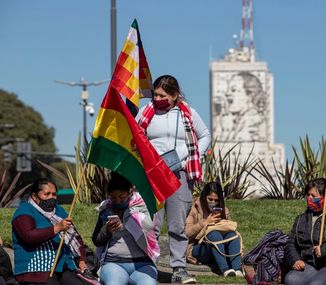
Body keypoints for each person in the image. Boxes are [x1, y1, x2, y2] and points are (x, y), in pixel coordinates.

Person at [137, 75, 211, 284]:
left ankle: (179, 269)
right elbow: (135, 136)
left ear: (175, 94)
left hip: (179, 174)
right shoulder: (146, 112)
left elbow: (205, 135)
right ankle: (149, 265)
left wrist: (193, 155)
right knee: (152, 223)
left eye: (163, 95)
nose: (157, 98)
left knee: (178, 224)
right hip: (153, 173)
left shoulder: (188, 112)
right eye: (155, 94)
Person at [12, 178, 88, 285]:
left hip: (63, 266)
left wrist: (81, 259)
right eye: (47, 194)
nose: (51, 197)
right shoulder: (24, 211)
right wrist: (56, 228)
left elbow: (74, 236)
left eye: (54, 194)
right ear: (34, 196)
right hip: (36, 270)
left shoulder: (59, 210)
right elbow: (28, 236)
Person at [92, 172, 159, 285]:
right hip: (114, 263)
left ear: (130, 192)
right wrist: (107, 230)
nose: (117, 201)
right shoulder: (106, 209)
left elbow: (150, 226)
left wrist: (128, 217)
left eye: (121, 197)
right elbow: (96, 241)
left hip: (143, 263)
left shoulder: (144, 205)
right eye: (113, 197)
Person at [284, 178, 326, 285]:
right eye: (308, 195)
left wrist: (325, 250)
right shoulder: (301, 219)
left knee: (317, 283)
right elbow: (290, 244)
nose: (309, 198)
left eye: (314, 196)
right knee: (291, 279)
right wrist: (295, 260)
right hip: (310, 265)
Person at [185, 182, 242, 277]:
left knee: (232, 235)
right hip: (198, 248)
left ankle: (237, 269)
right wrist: (205, 223)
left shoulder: (224, 210)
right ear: (204, 197)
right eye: (210, 199)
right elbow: (186, 234)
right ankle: (225, 270)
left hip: (220, 247)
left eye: (216, 200)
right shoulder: (194, 208)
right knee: (214, 234)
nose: (213, 202)